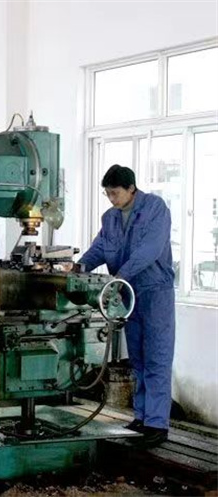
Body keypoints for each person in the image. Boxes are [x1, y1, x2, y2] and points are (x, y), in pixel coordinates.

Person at [79, 164, 175, 448]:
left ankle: (157, 423)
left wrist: (120, 276)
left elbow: (150, 250)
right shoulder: (110, 218)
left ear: (131, 188)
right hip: (126, 294)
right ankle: (141, 417)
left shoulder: (155, 208)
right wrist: (79, 267)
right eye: (107, 194)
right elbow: (100, 248)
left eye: (115, 193)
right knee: (137, 359)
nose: (111, 199)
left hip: (154, 293)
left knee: (157, 357)